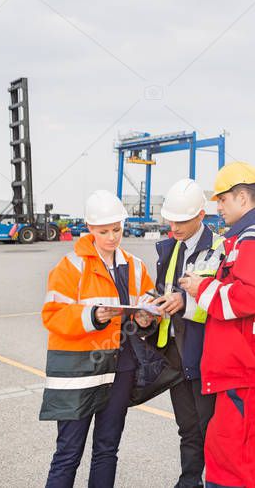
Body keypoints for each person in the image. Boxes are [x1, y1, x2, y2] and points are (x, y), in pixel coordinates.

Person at [179, 162, 255, 488]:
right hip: (253, 366)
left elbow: (253, 296)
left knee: (230, 460)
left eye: (222, 200)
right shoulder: (253, 240)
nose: (218, 207)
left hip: (243, 369)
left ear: (242, 198)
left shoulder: (251, 242)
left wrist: (203, 289)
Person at [40, 189, 163, 488]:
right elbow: (52, 315)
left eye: (117, 229)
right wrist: (93, 317)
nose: (111, 237)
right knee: (68, 453)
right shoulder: (70, 267)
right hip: (80, 371)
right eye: (104, 230)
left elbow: (147, 307)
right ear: (89, 228)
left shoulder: (135, 266)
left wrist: (147, 317)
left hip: (120, 369)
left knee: (107, 450)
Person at [153, 179, 225, 488]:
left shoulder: (222, 248)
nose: (175, 226)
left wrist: (186, 301)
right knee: (187, 428)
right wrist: (150, 305)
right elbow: (163, 290)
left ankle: (218, 482)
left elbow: (225, 300)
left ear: (201, 215)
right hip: (176, 355)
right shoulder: (170, 249)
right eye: (171, 219)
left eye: (182, 220)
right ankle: (189, 481)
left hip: (205, 353)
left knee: (211, 429)